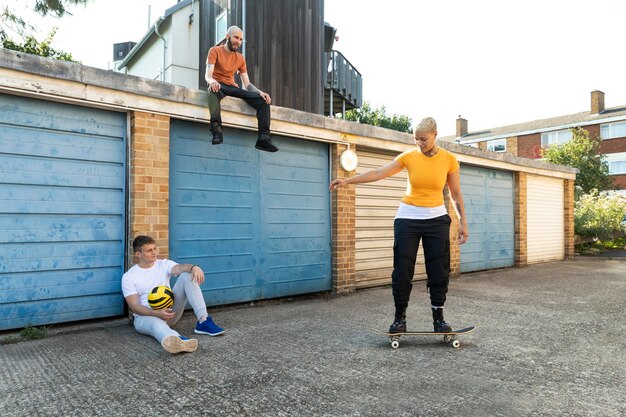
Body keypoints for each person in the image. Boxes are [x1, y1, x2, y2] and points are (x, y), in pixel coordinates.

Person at [329, 117, 468, 333]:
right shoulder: (409, 157)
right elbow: (379, 172)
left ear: (435, 135)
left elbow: (455, 193)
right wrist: (348, 180)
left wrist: (462, 222)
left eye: (423, 139)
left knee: (438, 270)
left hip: (437, 219)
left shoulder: (449, 159)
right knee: (402, 270)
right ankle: (399, 318)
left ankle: (439, 319)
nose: (419, 143)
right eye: (416, 139)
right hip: (408, 218)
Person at [121, 235, 225, 354]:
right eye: (149, 250)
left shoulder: (163, 264)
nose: (154, 252)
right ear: (138, 254)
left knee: (187, 275)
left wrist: (194, 267)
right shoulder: (129, 276)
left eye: (155, 248)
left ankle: (203, 321)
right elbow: (134, 306)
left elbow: (180, 268)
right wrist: (156, 313)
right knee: (156, 325)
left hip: (169, 313)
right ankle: (177, 340)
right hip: (145, 317)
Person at [205, 25, 278, 152]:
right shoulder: (214, 51)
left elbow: (247, 84)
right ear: (227, 37)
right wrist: (212, 82)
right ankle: (216, 130)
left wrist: (261, 93)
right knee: (212, 92)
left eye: (240, 39)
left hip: (233, 88)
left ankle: (263, 138)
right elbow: (208, 75)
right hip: (219, 86)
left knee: (263, 101)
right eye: (236, 38)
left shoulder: (240, 58)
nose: (238, 42)